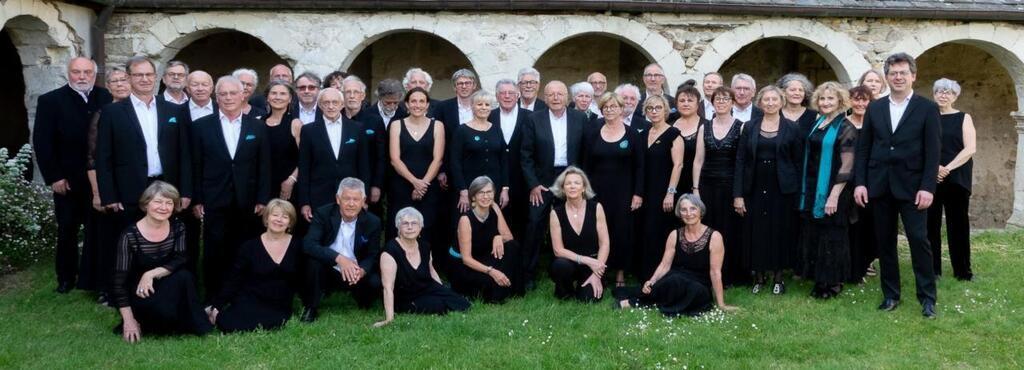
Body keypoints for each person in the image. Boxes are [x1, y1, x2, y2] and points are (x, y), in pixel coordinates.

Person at [853, 53, 941, 318]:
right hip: (879, 185)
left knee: (918, 240)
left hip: (913, 187)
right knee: (885, 242)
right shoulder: (876, 107)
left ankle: (927, 297)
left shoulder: (927, 108)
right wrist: (861, 183)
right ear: (887, 77)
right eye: (893, 73)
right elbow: (864, 148)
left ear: (913, 75)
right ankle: (891, 295)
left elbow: (933, 152)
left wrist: (928, 187)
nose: (898, 77)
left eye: (903, 72)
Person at [95, 56, 192, 277]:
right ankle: (123, 288)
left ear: (156, 78)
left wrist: (185, 191)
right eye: (139, 75)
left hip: (166, 186)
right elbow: (104, 157)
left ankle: (160, 283)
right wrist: (109, 196)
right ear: (129, 78)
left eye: (149, 74)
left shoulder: (174, 111)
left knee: (165, 239)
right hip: (129, 187)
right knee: (126, 240)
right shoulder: (112, 112)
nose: (145, 79)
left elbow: (185, 154)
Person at [34, 56, 113, 294]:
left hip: (99, 179)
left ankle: (94, 277)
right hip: (67, 180)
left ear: (94, 74)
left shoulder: (105, 97)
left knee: (97, 229)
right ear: (68, 73)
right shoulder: (51, 101)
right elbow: (42, 142)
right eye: (77, 72)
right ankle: (66, 277)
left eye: (87, 72)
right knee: (67, 228)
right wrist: (54, 177)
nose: (82, 77)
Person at [191, 75, 271, 300]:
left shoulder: (257, 126)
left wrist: (263, 199)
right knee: (214, 250)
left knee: (245, 247)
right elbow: (195, 165)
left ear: (243, 95)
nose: (228, 98)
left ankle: (242, 293)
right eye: (223, 94)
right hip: (213, 198)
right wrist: (197, 199)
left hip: (248, 201)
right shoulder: (200, 127)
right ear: (216, 97)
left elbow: (264, 166)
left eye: (232, 93)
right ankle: (213, 296)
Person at [111, 181, 212, 343]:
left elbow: (181, 258)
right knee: (161, 316)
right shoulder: (129, 235)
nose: (163, 207)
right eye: (158, 202)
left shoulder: (178, 226)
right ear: (146, 204)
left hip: (167, 282)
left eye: (169, 203)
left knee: (185, 276)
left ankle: (197, 323)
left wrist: (150, 273)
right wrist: (128, 320)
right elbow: (119, 282)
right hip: (141, 290)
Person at [615, 194, 738, 316]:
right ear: (679, 213)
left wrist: (721, 304)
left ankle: (640, 301)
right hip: (675, 279)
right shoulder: (674, 235)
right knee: (672, 281)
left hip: (699, 285)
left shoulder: (714, 237)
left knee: (689, 289)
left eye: (693, 208)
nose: (688, 213)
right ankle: (637, 301)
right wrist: (651, 281)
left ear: (701, 211)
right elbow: (664, 265)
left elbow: (715, 272)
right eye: (684, 210)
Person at [733, 85, 803, 295]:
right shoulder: (750, 126)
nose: (770, 103)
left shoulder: (792, 128)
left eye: (774, 99)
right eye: (766, 100)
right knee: (757, 231)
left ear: (781, 102)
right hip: (754, 187)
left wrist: (798, 193)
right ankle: (759, 277)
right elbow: (740, 161)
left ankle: (779, 278)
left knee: (779, 231)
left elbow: (798, 162)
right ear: (760, 103)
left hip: (782, 189)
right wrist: (738, 195)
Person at [520, 81, 587, 290]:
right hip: (542, 180)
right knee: (534, 223)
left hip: (570, 177)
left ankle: (569, 270)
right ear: (545, 97)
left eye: (560, 94)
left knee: (571, 222)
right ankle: (528, 274)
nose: (556, 98)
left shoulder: (580, 118)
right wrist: (533, 184)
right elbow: (526, 155)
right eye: (551, 94)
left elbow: (585, 153)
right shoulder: (534, 119)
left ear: (567, 97)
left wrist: (580, 181)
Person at [207, 199, 301, 333]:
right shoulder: (249, 247)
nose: (279, 220)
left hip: (279, 303)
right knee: (229, 325)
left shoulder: (298, 245)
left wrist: (309, 305)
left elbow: (305, 277)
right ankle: (213, 312)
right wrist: (217, 305)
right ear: (267, 218)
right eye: (275, 215)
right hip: (251, 298)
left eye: (285, 217)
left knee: (274, 323)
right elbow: (234, 278)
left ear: (290, 223)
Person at [800, 81, 858, 299]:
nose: (825, 102)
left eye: (830, 98)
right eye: (822, 98)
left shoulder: (846, 127)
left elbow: (847, 166)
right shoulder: (820, 122)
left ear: (840, 101)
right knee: (818, 235)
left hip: (834, 191)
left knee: (833, 237)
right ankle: (819, 279)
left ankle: (832, 283)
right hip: (814, 187)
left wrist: (833, 196)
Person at [583, 92, 644, 286]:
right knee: (597, 230)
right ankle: (598, 269)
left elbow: (640, 166)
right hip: (597, 191)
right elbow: (585, 165)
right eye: (605, 107)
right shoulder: (592, 133)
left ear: (621, 109)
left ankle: (619, 274)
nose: (609, 110)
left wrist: (638, 193)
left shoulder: (632, 134)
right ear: (601, 110)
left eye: (613, 107)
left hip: (624, 192)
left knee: (621, 232)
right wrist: (584, 191)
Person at [302, 178, 383, 322]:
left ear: (363, 200)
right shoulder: (323, 213)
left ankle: (362, 300)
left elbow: (373, 255)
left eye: (356, 199)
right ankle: (311, 307)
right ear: (338, 199)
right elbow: (309, 244)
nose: (351, 204)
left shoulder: (373, 222)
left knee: (375, 282)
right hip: (329, 266)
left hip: (355, 270)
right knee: (313, 263)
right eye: (346, 199)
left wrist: (362, 271)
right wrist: (339, 258)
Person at [374, 207, 471, 328]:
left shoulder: (425, 246)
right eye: (405, 223)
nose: (410, 227)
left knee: (463, 303)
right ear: (398, 227)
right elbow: (388, 287)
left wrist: (442, 291)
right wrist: (389, 318)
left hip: (426, 288)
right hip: (405, 296)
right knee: (438, 305)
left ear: (420, 227)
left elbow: (431, 271)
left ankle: (439, 301)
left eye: (414, 223)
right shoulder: (390, 251)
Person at [81, 67, 128, 303]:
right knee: (112, 240)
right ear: (108, 87)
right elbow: (93, 158)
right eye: (114, 81)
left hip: (137, 187)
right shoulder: (104, 114)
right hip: (111, 187)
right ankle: (108, 288)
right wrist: (98, 194)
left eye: (123, 80)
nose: (120, 84)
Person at [692, 86, 745, 286]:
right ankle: (707, 272)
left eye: (725, 99)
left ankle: (729, 274)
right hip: (707, 186)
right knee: (708, 228)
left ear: (732, 103)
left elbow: (741, 162)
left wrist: (738, 192)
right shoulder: (704, 127)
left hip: (730, 186)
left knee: (729, 230)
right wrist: (696, 189)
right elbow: (698, 160)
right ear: (712, 102)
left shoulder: (741, 127)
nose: (721, 102)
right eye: (718, 99)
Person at [297, 87, 370, 221]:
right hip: (318, 196)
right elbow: (304, 168)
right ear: (320, 105)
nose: (331, 106)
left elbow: (364, 166)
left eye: (335, 102)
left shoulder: (357, 128)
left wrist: (364, 197)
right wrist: (304, 202)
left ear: (342, 104)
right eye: (326, 103)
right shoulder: (308, 131)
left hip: (350, 197)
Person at [928, 78, 976, 281]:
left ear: (955, 96)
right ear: (934, 94)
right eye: (939, 91)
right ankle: (932, 270)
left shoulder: (964, 118)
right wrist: (934, 167)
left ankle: (963, 271)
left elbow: (970, 148)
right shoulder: (927, 117)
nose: (943, 95)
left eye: (948, 92)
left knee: (958, 225)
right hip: (930, 177)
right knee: (930, 225)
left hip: (956, 177)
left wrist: (946, 168)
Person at [450, 176, 524, 302]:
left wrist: (498, 237)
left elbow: (509, 238)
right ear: (473, 196)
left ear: (494, 194)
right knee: (490, 282)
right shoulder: (465, 219)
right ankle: (497, 288)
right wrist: (491, 271)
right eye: (481, 193)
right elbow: (466, 259)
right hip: (466, 266)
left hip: (484, 256)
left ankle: (507, 287)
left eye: (489, 192)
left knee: (512, 246)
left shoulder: (494, 208)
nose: (486, 197)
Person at [388, 87, 445, 246]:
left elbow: (438, 159)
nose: (417, 105)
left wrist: (422, 185)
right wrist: (415, 182)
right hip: (402, 184)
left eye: (422, 101)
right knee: (401, 226)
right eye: (413, 101)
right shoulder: (396, 125)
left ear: (427, 105)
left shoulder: (438, 126)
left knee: (427, 227)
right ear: (406, 104)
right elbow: (395, 159)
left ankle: (426, 266)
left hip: (428, 185)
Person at [636, 95, 684, 281]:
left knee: (660, 231)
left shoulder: (674, 134)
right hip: (644, 191)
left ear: (666, 110)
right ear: (645, 112)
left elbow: (678, 165)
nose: (654, 111)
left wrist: (670, 193)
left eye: (658, 108)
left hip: (664, 191)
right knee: (645, 230)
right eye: (650, 108)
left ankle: (663, 273)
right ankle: (645, 272)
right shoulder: (643, 134)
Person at [548, 167, 609, 302]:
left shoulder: (596, 208)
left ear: (583, 188)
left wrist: (597, 273)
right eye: (568, 183)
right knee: (560, 266)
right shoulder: (556, 213)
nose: (572, 186)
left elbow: (604, 243)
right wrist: (585, 259)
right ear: (563, 189)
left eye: (577, 183)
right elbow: (558, 250)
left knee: (588, 299)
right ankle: (565, 288)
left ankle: (588, 284)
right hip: (569, 262)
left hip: (593, 264)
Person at [450, 90, 509, 212]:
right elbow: (455, 163)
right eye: (479, 104)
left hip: (494, 188)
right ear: (472, 106)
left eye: (487, 105)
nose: (483, 108)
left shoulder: (497, 129)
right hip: (470, 188)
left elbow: (504, 160)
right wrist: (463, 191)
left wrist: (505, 189)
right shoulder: (462, 131)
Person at [490, 79, 531, 240]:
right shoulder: (489, 115)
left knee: (522, 221)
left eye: (511, 93)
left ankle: (520, 260)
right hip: (495, 177)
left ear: (518, 95)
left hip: (522, 178)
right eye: (502, 93)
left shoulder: (530, 117)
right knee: (496, 219)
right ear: (496, 96)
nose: (507, 96)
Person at [341, 76, 387, 208]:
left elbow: (381, 157)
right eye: (348, 92)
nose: (352, 96)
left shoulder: (375, 121)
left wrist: (376, 185)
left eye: (356, 92)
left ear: (362, 95)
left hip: (368, 183)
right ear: (342, 95)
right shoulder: (336, 119)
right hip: (341, 184)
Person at [846, 85, 877, 282]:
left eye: (864, 100)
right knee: (851, 225)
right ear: (849, 101)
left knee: (869, 225)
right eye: (856, 99)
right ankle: (851, 267)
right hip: (847, 182)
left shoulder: (875, 125)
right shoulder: (842, 124)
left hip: (871, 181)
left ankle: (866, 263)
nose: (860, 103)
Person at [262, 81, 302, 201]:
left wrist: (291, 180)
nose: (278, 97)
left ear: (290, 99)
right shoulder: (258, 123)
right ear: (267, 97)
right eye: (274, 93)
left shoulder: (296, 124)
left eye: (283, 94)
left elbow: (305, 158)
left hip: (288, 187)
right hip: (263, 186)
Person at [671, 82, 706, 194]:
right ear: (676, 104)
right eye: (682, 101)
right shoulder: (668, 125)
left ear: (697, 104)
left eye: (690, 100)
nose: (686, 104)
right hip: (670, 184)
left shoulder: (707, 126)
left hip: (698, 184)